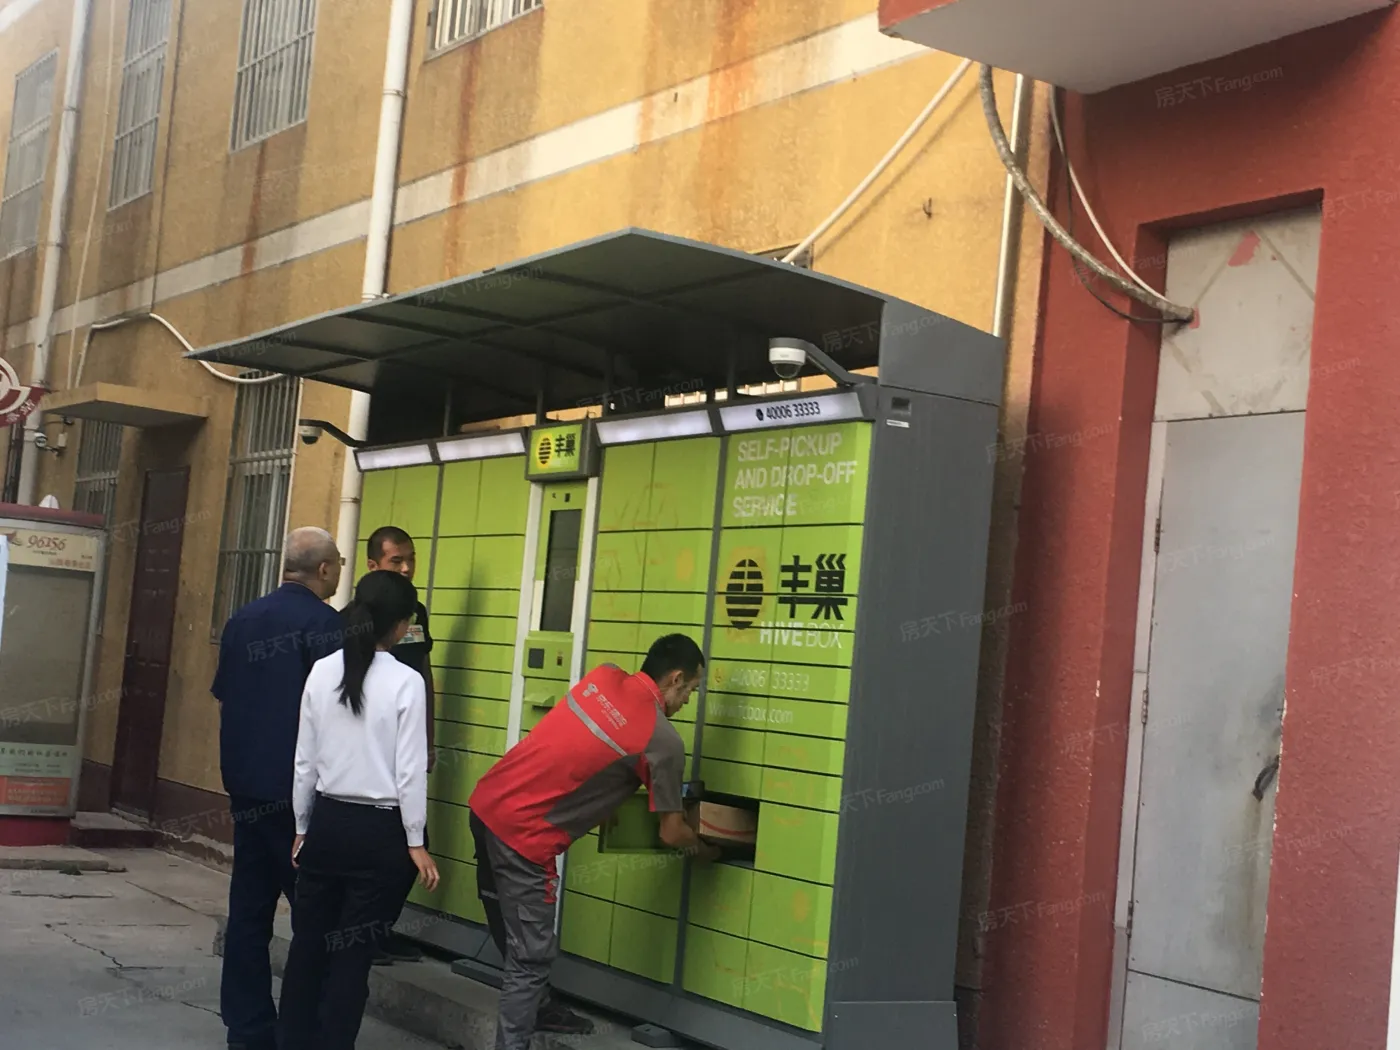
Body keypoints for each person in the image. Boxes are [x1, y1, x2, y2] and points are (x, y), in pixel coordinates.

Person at [468, 634, 721, 1050]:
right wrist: (707, 849)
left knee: (508, 926)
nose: (687, 701)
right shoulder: (663, 741)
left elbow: (587, 752)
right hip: (524, 839)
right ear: (675, 678)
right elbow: (671, 831)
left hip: (486, 805)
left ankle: (537, 1006)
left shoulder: (603, 677)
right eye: (690, 690)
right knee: (530, 958)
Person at [277, 570, 440, 1050]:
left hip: (327, 823)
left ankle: (291, 1041)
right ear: (401, 626)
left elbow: (304, 760)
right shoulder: (407, 681)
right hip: (382, 832)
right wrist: (416, 841)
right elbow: (410, 771)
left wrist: (302, 826)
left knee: (308, 947)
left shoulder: (322, 670)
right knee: (352, 956)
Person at [213, 527, 344, 1050]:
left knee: (249, 909)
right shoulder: (328, 627)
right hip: (300, 797)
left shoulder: (242, 619)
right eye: (337, 563)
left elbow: (226, 696)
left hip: (246, 786)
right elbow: (340, 716)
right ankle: (302, 1029)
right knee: (314, 916)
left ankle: (247, 1028)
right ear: (326, 569)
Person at [362, 526, 434, 967]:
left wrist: (429, 737)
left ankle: (379, 930)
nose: (406, 568)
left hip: (408, 739)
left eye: (410, 559)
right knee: (393, 846)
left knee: (412, 843)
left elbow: (423, 670)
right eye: (396, 561)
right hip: (371, 748)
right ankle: (362, 935)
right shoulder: (357, 614)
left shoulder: (416, 611)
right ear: (373, 565)